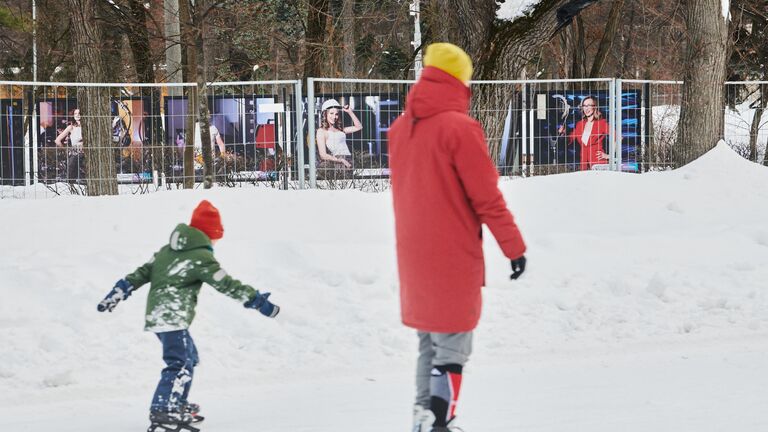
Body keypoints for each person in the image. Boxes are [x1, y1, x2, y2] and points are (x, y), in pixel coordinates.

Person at [388, 43, 528, 432]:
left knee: (428, 343)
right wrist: (514, 248)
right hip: (451, 254)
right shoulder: (459, 128)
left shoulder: (401, 128)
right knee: (452, 345)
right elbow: (486, 197)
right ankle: (438, 423)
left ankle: (424, 416)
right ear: (459, 80)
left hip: (413, 254)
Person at [96, 200, 280, 431]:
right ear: (209, 233)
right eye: (215, 236)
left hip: (158, 313)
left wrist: (118, 291)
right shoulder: (200, 256)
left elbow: (141, 273)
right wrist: (257, 300)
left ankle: (177, 403)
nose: (215, 242)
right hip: (172, 314)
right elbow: (226, 284)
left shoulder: (166, 251)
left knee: (189, 357)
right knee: (180, 362)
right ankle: (163, 408)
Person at [558, 95, 610, 170]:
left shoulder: (602, 123)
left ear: (595, 107)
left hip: (598, 164)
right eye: (584, 106)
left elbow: (618, 137)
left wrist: (608, 156)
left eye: (589, 105)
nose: (586, 108)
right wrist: (563, 133)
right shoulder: (580, 124)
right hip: (584, 164)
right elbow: (570, 139)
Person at [316, 98, 362, 179]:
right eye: (331, 113)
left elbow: (359, 127)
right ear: (325, 114)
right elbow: (323, 155)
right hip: (337, 161)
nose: (334, 117)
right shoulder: (321, 131)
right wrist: (340, 160)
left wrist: (350, 112)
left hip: (348, 160)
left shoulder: (340, 129)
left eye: (336, 114)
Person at [54, 108, 84, 181]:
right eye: (75, 113)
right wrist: (66, 150)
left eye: (79, 113)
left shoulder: (87, 127)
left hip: (87, 155)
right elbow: (57, 140)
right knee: (72, 177)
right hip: (75, 155)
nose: (77, 115)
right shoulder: (71, 127)